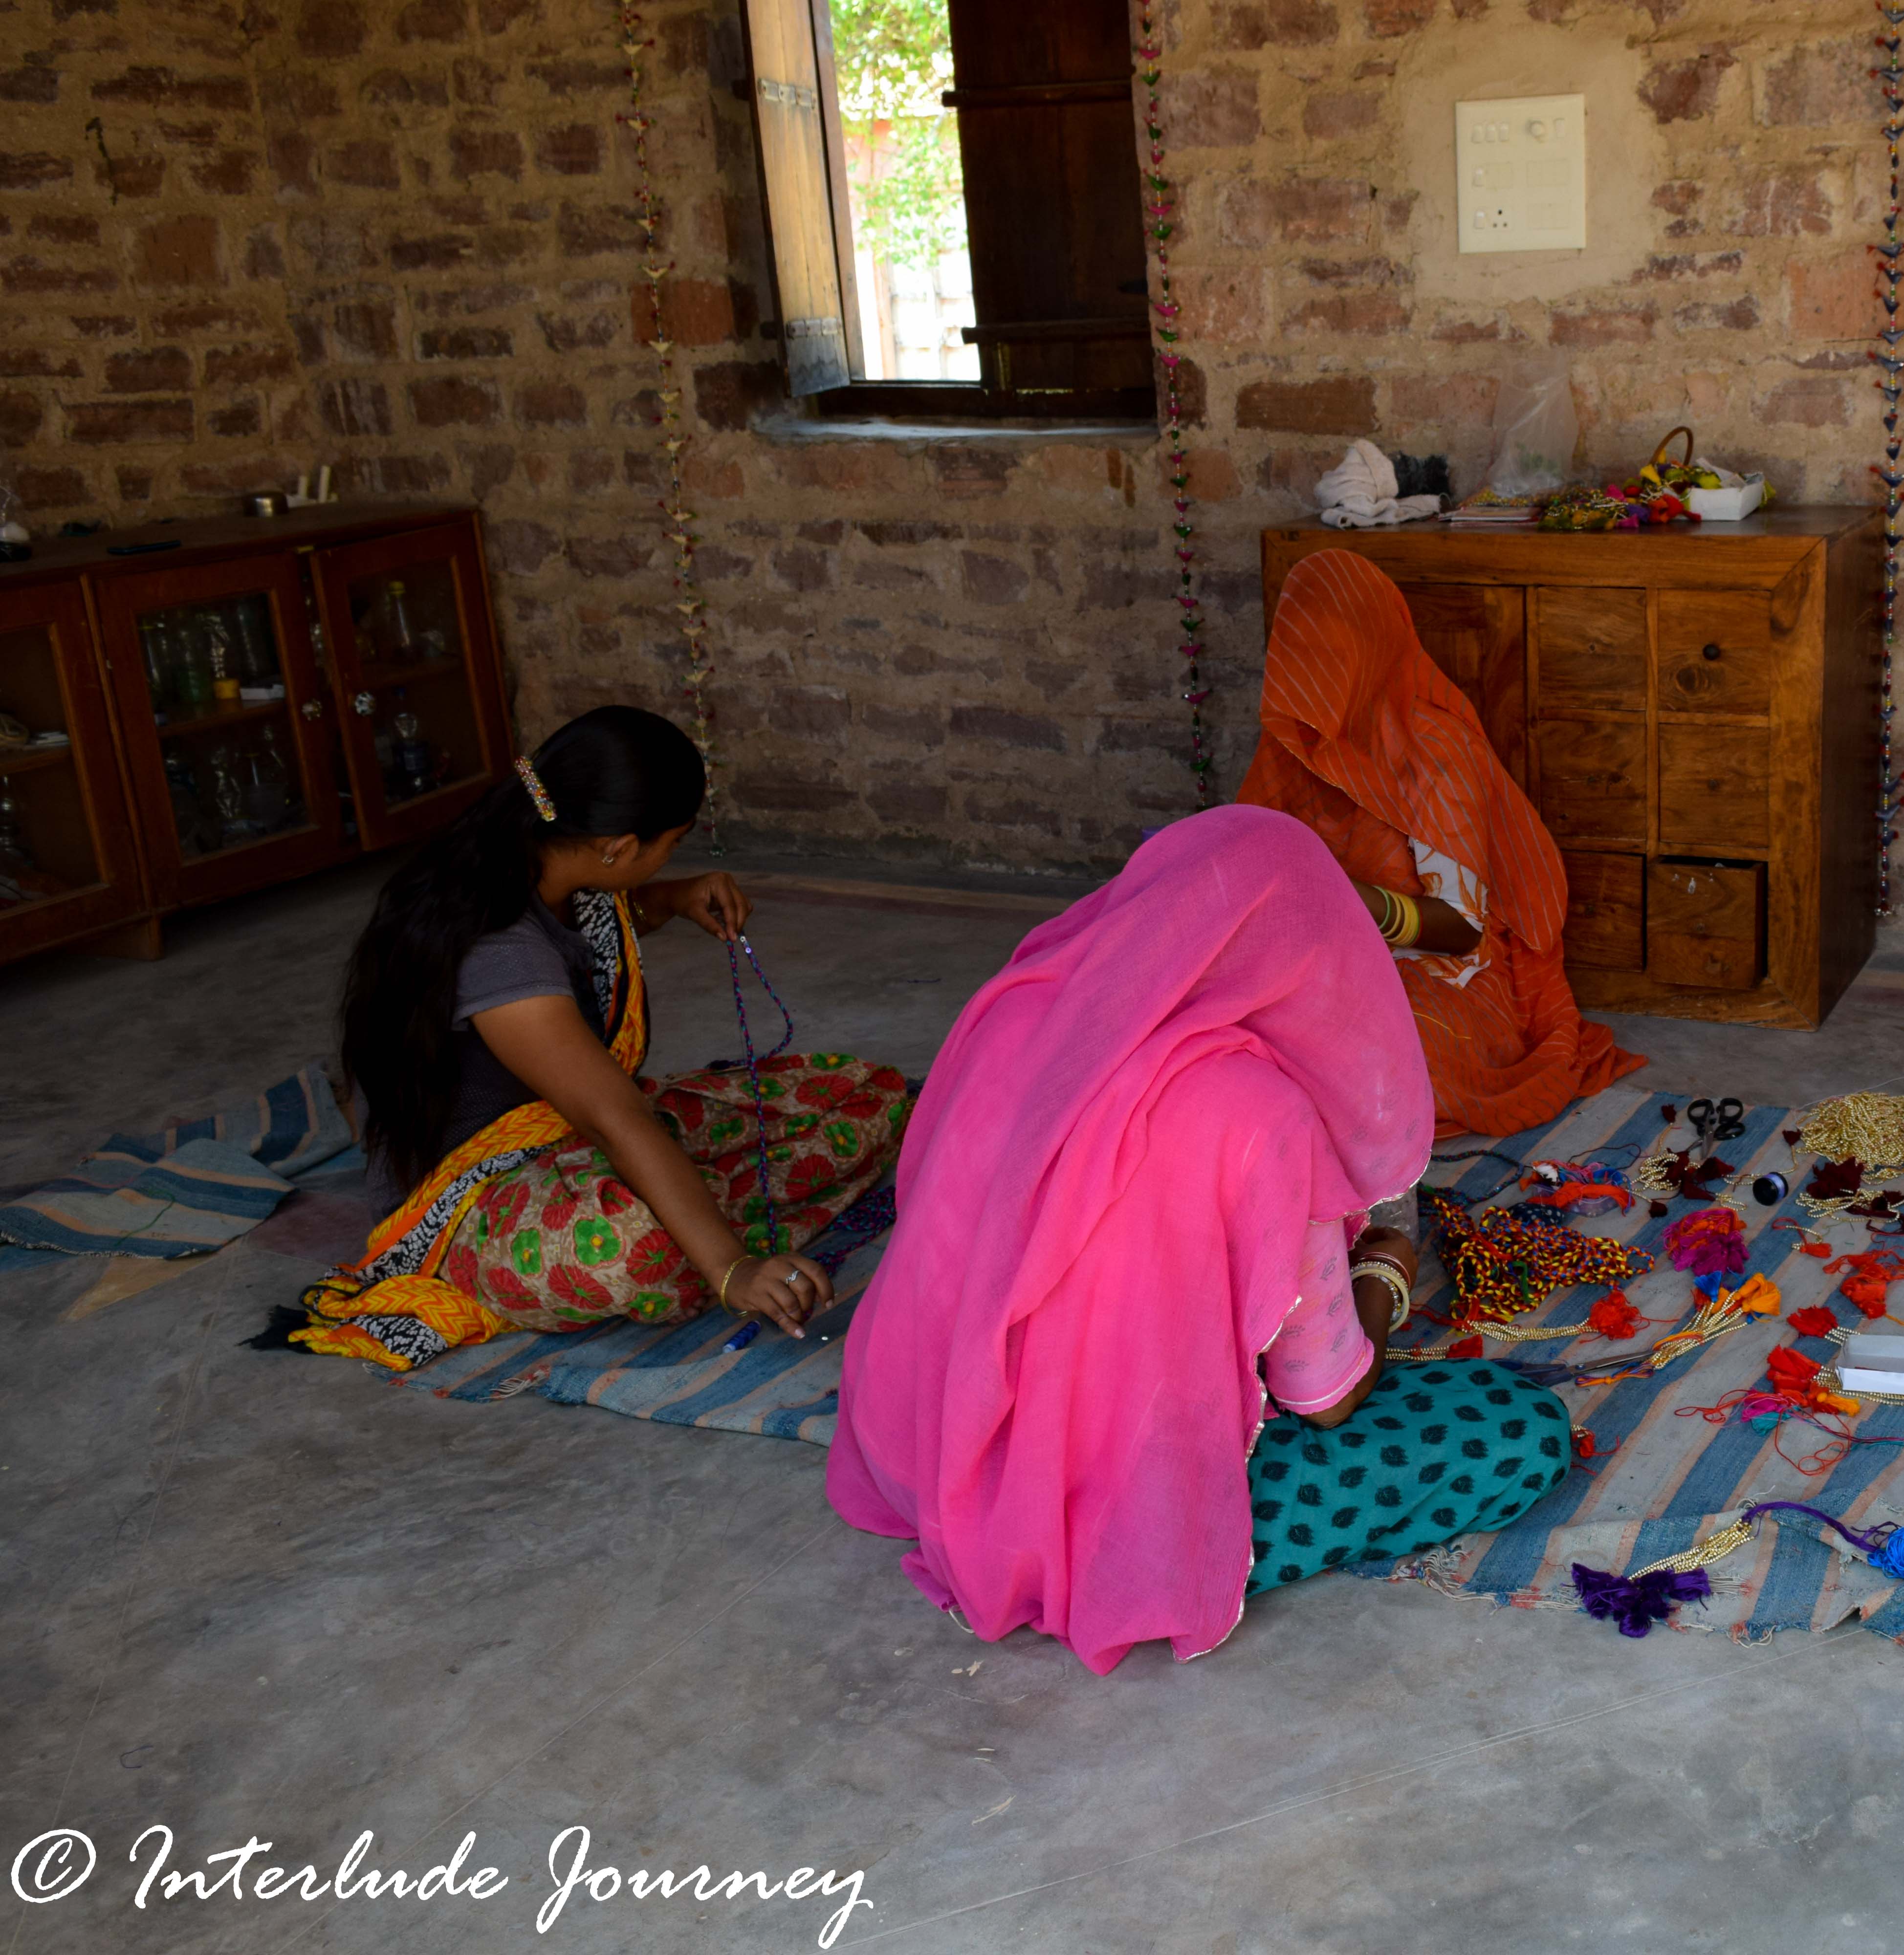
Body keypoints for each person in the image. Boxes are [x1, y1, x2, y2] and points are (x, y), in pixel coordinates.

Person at [826, 804, 1571, 1675]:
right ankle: (1132, 1560)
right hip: (1092, 1516)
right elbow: (1324, 1396)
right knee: (1522, 1433)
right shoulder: (1256, 1117)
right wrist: (1387, 1272)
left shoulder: (1022, 1007)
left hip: (922, 1439)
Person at [276, 706, 909, 1370]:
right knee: (639, 1249)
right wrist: (730, 1268)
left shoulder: (535, 857)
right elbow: (615, 1117)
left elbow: (602, 919)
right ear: (617, 846)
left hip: (564, 1137)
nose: (671, 858)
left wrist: (672, 896)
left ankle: (694, 1202)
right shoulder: (499, 950)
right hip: (470, 1202)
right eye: (672, 844)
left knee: (869, 1095)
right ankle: (698, 1218)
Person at [1239, 547, 1643, 1137]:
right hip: (1317, 950)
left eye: (1329, 655)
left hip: (1436, 963)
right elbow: (1256, 861)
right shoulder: (1291, 743)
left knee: (1383, 1045)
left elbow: (1461, 929)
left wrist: (1352, 901)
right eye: (1301, 655)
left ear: (1368, 648)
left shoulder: (1432, 748)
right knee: (1216, 1018)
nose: (1311, 677)